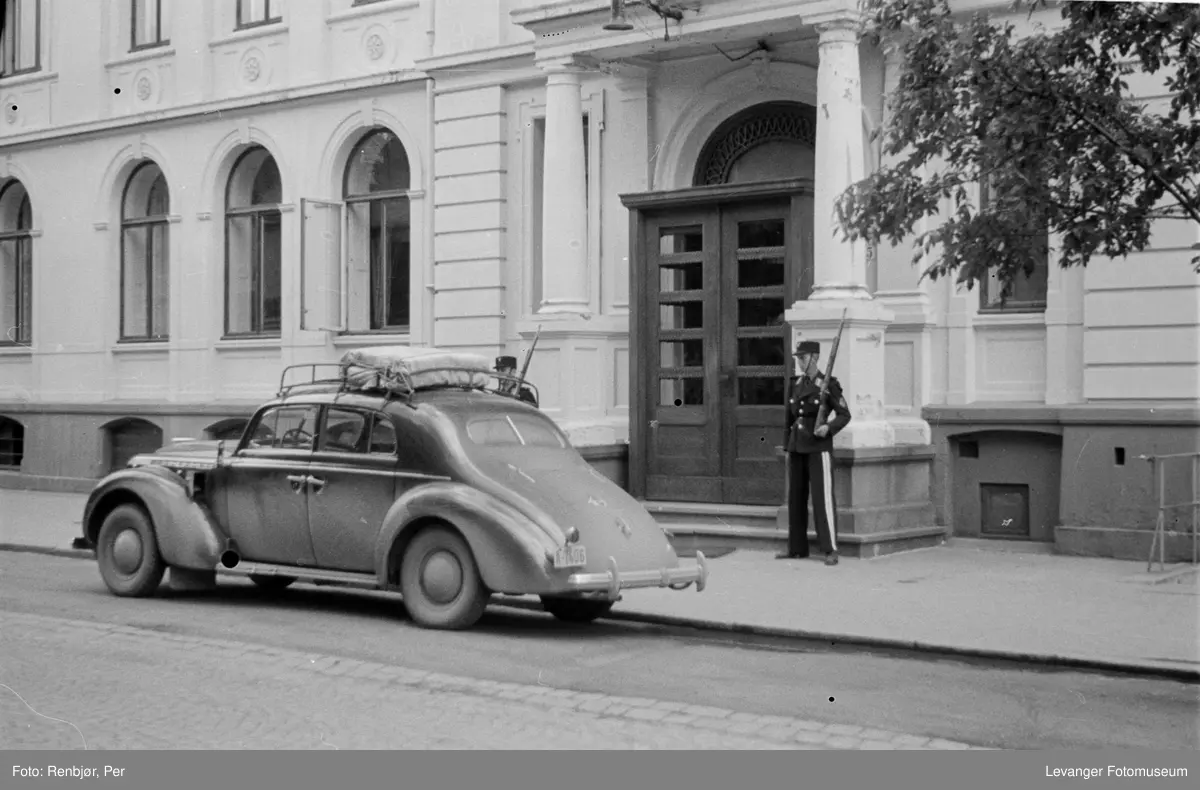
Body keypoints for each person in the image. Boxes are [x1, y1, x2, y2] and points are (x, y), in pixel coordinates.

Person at [779, 339, 852, 566]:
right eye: (798, 358)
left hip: (817, 446)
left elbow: (844, 414)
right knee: (796, 498)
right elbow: (789, 419)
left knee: (822, 499)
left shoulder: (828, 384)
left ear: (814, 357)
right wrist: (786, 446)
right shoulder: (796, 383)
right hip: (797, 445)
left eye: (803, 357)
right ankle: (797, 548)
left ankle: (830, 549)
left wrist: (828, 428)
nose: (799, 362)